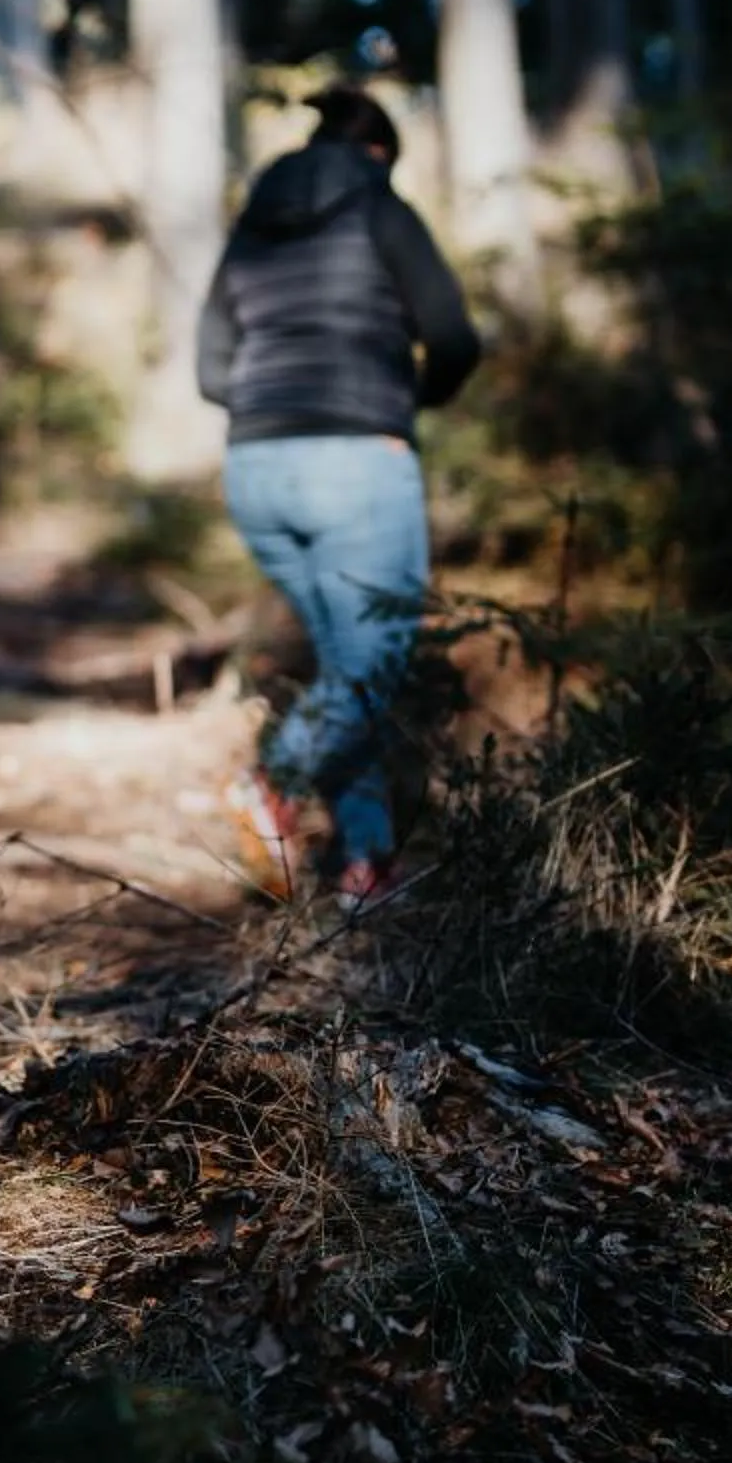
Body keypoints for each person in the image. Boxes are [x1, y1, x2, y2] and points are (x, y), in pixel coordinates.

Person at [197, 85, 482, 910]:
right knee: (372, 662)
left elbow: (210, 369)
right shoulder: (381, 208)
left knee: (349, 671)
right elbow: (456, 337)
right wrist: (406, 401)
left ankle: (366, 865)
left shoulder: (254, 222)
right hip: (359, 461)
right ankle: (271, 780)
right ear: (380, 153)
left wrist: (274, 408)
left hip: (257, 468)